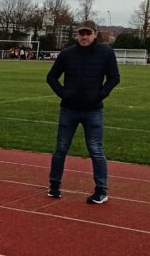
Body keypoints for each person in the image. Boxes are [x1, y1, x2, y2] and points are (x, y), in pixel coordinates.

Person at [46, 20, 120, 204]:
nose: (84, 37)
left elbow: (114, 78)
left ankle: (101, 190)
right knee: (61, 148)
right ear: (77, 35)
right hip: (68, 109)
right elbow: (51, 77)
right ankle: (54, 186)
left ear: (95, 34)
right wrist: (63, 93)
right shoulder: (67, 54)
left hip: (93, 110)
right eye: (81, 33)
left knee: (96, 149)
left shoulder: (106, 53)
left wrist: (100, 95)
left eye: (87, 33)